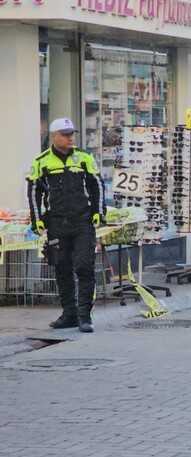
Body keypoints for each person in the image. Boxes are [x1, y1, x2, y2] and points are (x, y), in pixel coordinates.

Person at [26, 118, 105, 333]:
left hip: (82, 221)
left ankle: (84, 316)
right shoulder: (42, 161)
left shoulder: (84, 157)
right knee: (62, 268)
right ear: (54, 137)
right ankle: (69, 314)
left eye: (72, 134)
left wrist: (98, 213)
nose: (70, 138)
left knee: (84, 265)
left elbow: (97, 185)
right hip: (57, 222)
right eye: (66, 134)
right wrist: (36, 219)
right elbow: (33, 191)